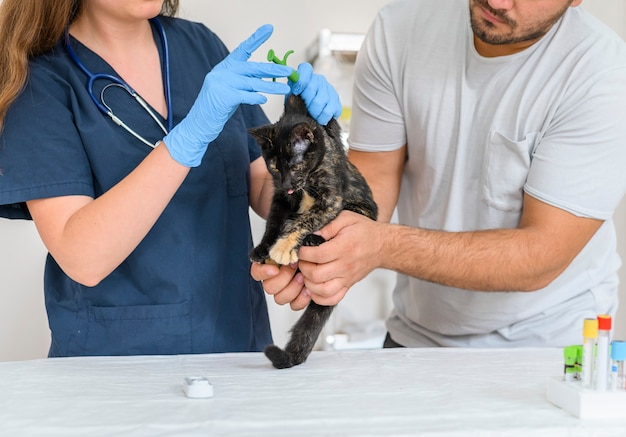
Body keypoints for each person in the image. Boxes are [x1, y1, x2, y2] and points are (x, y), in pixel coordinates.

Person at [252, 0, 626, 348]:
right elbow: (372, 183)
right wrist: (321, 248)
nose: (497, 2)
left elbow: (541, 254)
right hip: (417, 334)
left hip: (549, 346)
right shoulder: (402, 26)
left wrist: (380, 245)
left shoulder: (600, 74)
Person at [0, 0, 341, 357]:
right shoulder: (42, 80)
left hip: (236, 351)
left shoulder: (201, 47)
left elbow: (261, 187)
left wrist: (301, 145)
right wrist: (185, 140)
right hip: (114, 369)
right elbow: (82, 258)